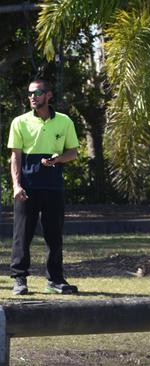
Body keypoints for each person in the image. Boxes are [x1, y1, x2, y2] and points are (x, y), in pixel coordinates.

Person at [7, 79, 80, 295]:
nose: (32, 96)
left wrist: (58, 159)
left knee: (54, 235)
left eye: (37, 92)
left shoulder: (65, 121)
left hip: (54, 187)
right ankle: (19, 280)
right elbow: (15, 157)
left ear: (48, 95)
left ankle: (55, 280)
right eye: (29, 93)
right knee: (22, 235)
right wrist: (16, 185)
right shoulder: (19, 122)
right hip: (27, 189)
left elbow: (73, 153)